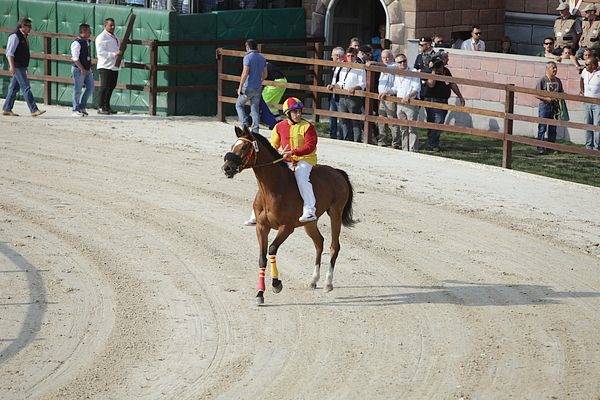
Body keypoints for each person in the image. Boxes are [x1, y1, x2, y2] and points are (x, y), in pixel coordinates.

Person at [243, 97, 318, 226]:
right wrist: (278, 153)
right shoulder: (279, 126)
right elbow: (272, 146)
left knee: (301, 178)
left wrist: (293, 152)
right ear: (287, 113)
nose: (298, 114)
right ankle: (256, 212)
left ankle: (309, 209)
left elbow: (310, 146)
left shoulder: (308, 126)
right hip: (286, 160)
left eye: (299, 111)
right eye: (295, 112)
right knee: (268, 180)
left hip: (305, 160)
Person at [2, 18, 46, 117]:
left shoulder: (23, 36)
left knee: (13, 88)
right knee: (26, 87)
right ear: (22, 26)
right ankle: (34, 110)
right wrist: (12, 66)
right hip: (17, 66)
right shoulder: (15, 36)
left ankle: (7, 108)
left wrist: (25, 67)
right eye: (28, 26)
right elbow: (9, 53)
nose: (30, 28)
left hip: (21, 66)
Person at [422, 54, 465, 151]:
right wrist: (434, 70)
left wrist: (460, 97)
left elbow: (452, 84)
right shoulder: (429, 70)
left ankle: (432, 142)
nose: (447, 61)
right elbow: (431, 84)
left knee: (437, 123)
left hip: (444, 100)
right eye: (445, 58)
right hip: (432, 100)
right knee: (438, 121)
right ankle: (433, 144)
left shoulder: (446, 71)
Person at [390, 53, 421, 151]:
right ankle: (405, 149)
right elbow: (395, 88)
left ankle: (413, 150)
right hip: (399, 103)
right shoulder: (397, 73)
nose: (403, 63)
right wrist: (386, 91)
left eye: (404, 61)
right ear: (396, 63)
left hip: (411, 103)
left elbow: (417, 88)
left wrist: (409, 96)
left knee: (412, 128)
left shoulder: (413, 71)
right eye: (400, 62)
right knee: (403, 128)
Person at [235, 38, 267, 134]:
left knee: (239, 105)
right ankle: (255, 130)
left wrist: (240, 86)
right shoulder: (262, 58)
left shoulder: (247, 57)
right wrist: (261, 80)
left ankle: (244, 125)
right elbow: (265, 73)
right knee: (255, 108)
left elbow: (245, 73)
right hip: (258, 87)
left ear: (248, 46)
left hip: (248, 86)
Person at [336, 47, 366, 142]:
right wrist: (334, 85)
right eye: (348, 55)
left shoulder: (360, 68)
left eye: (352, 56)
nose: (350, 57)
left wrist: (354, 88)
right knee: (343, 119)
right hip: (343, 95)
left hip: (353, 97)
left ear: (356, 56)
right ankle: (347, 139)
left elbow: (363, 84)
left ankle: (357, 140)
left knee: (355, 120)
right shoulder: (344, 67)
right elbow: (341, 82)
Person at [535, 61, 563, 154]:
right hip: (544, 106)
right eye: (553, 68)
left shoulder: (558, 80)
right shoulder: (542, 80)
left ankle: (551, 146)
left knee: (553, 127)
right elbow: (536, 94)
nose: (555, 69)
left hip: (555, 107)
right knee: (542, 127)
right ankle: (540, 147)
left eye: (556, 68)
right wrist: (546, 99)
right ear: (547, 69)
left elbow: (561, 92)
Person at [95, 18, 121, 115]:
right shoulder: (101, 37)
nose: (113, 27)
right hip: (105, 65)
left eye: (114, 25)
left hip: (114, 65)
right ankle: (100, 107)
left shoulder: (115, 36)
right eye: (110, 25)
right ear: (105, 25)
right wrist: (114, 54)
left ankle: (107, 106)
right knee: (104, 86)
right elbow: (101, 53)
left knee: (112, 86)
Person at [70, 23, 94, 117]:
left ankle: (82, 106)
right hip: (78, 70)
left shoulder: (87, 41)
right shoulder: (76, 43)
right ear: (82, 32)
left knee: (90, 88)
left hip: (87, 69)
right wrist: (82, 69)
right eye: (88, 31)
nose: (90, 33)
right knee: (77, 89)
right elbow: (75, 58)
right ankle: (75, 109)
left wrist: (88, 68)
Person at [580, 57, 600, 150]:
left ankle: (597, 147)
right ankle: (588, 146)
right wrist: (582, 91)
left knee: (597, 125)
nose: (585, 66)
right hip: (587, 102)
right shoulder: (584, 71)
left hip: (597, 103)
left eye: (587, 64)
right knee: (588, 124)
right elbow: (581, 79)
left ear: (594, 65)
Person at [259, 62, 286, 129]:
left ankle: (269, 122)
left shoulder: (261, 65)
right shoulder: (265, 64)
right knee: (273, 104)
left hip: (275, 83)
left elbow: (263, 77)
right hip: (283, 81)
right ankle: (278, 121)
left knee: (262, 101)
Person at [326, 46, 345, 139]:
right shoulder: (335, 66)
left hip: (340, 94)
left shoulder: (345, 66)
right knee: (332, 115)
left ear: (337, 56)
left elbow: (341, 81)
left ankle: (341, 136)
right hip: (332, 93)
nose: (331, 57)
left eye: (332, 55)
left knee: (341, 116)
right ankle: (332, 134)